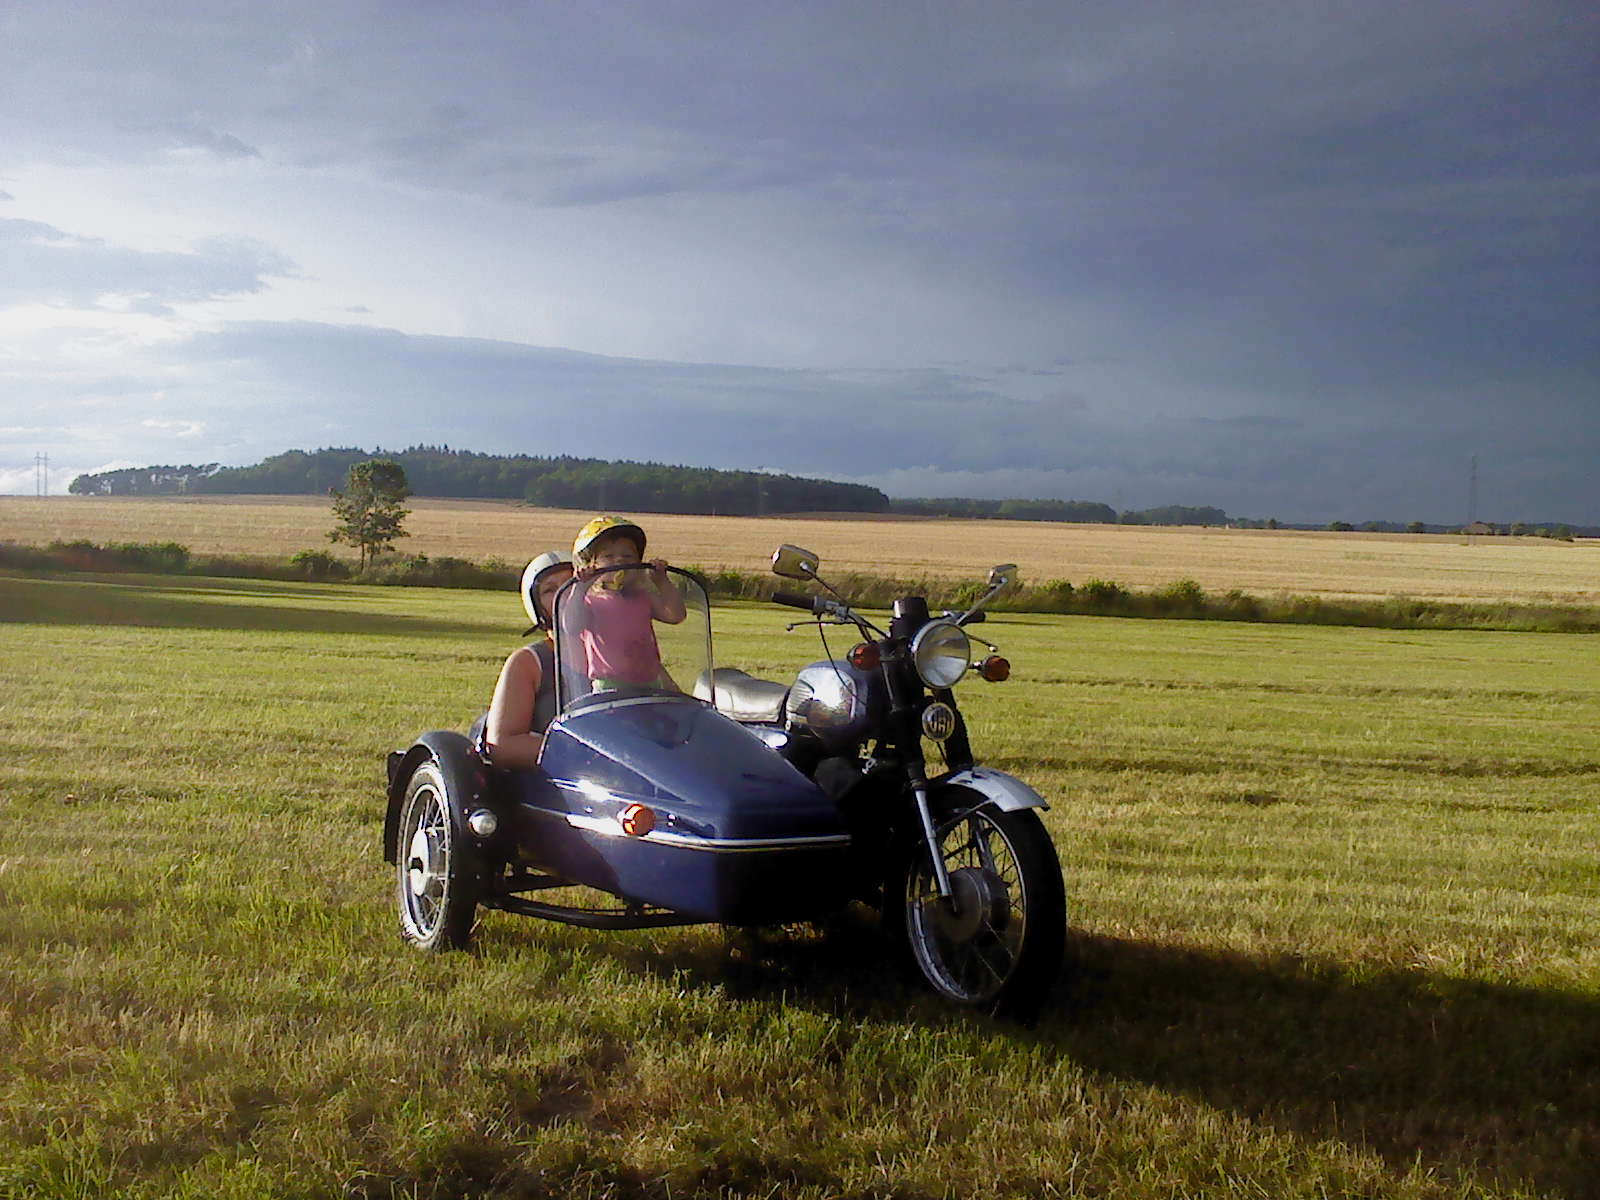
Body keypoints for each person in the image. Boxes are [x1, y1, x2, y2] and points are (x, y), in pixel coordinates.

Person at [569, 516, 687, 690]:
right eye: (608, 556)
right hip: (609, 687)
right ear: (590, 564)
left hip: (650, 684)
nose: (619, 561)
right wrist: (580, 589)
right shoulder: (590, 602)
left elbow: (676, 615)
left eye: (628, 555)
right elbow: (571, 626)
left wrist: (662, 582)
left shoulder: (643, 597)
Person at [481, 550, 574, 769]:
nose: (564, 594)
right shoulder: (529, 662)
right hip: (554, 778)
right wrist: (582, 755)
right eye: (550, 590)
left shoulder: (619, 652)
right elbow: (503, 743)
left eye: (572, 584)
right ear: (537, 606)